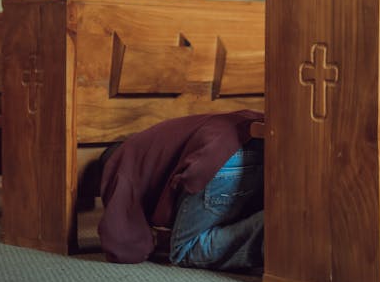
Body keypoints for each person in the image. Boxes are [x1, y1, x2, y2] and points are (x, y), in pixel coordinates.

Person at [97, 108, 264, 272]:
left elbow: (123, 244)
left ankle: (272, 225)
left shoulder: (118, 163)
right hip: (259, 139)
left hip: (220, 157)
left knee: (185, 249)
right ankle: (280, 224)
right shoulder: (157, 139)